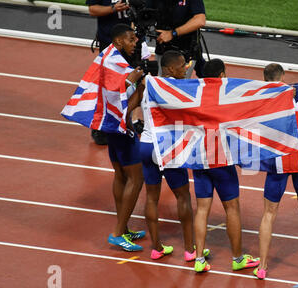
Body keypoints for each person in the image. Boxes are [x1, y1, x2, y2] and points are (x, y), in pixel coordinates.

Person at [128, 50, 209, 261]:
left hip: (146, 145)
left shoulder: (148, 83)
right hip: (168, 148)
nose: (187, 69)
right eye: (183, 65)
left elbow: (129, 106)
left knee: (152, 197)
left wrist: (132, 127)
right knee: (183, 196)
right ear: (171, 68)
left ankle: (156, 248)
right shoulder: (180, 88)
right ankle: (191, 250)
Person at [254, 63, 298, 280]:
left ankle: (262, 266)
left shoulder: (260, 98)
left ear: (265, 79)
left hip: (277, 161)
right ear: (283, 76)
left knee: (269, 213)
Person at [192, 59, 260, 273]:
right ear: (221, 75)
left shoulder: (195, 94)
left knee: (202, 209)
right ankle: (238, 258)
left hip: (199, 157)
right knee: (232, 208)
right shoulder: (227, 96)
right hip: (220, 159)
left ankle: (199, 259)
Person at [104, 24, 146, 252]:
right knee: (136, 179)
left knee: (120, 175)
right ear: (119, 41)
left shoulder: (108, 59)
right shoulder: (119, 68)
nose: (135, 43)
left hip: (111, 127)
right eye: (131, 40)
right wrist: (138, 89)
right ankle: (118, 233)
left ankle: (124, 227)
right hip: (121, 129)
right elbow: (124, 108)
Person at [87, 0, 134, 145]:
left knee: (131, 85)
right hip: (109, 44)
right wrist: (113, 8)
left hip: (132, 44)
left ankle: (126, 122)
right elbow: (93, 10)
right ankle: (100, 127)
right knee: (107, 88)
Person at [145, 0, 207, 78]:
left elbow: (200, 20)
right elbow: (145, 13)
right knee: (162, 83)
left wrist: (172, 33)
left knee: (180, 86)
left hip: (185, 50)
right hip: (162, 49)